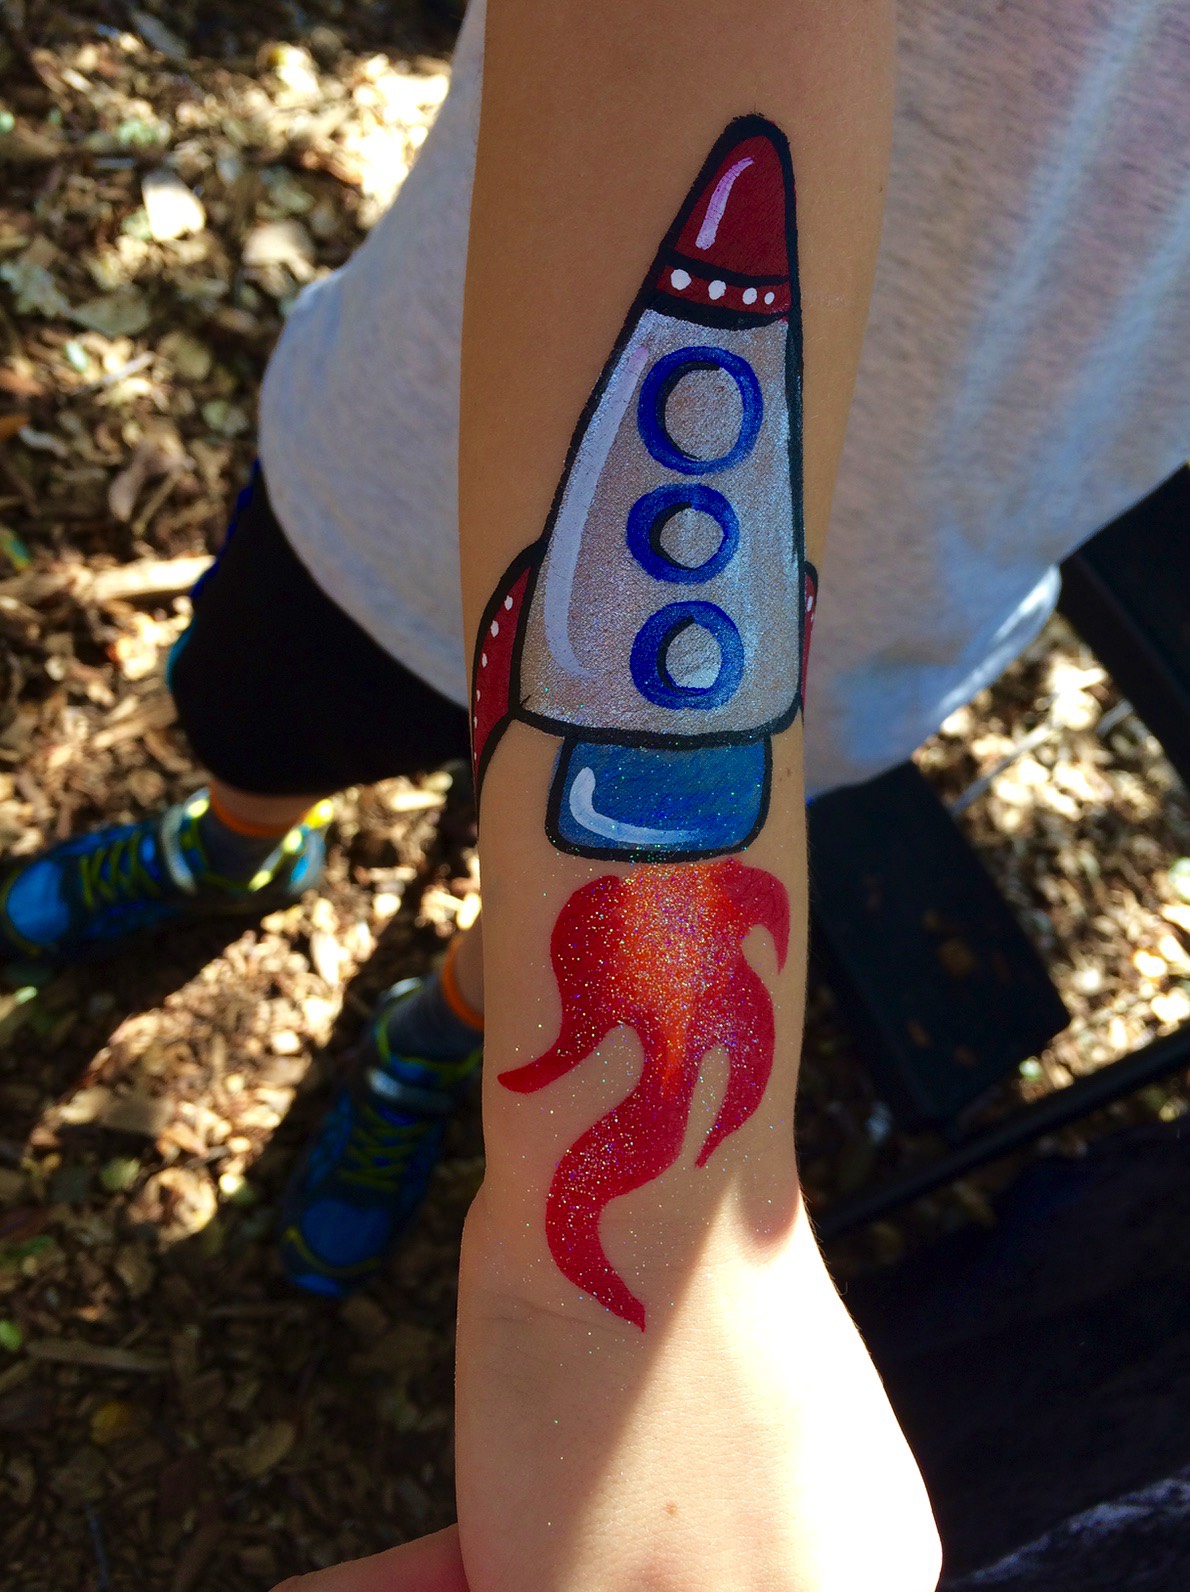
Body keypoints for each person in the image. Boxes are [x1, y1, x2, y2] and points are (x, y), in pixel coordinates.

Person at [4, 0, 1189, 1582]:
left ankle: (434, 1036)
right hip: (431, 441)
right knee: (262, 709)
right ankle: (233, 849)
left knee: (553, 961)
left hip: (904, 588)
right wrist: (649, 1249)